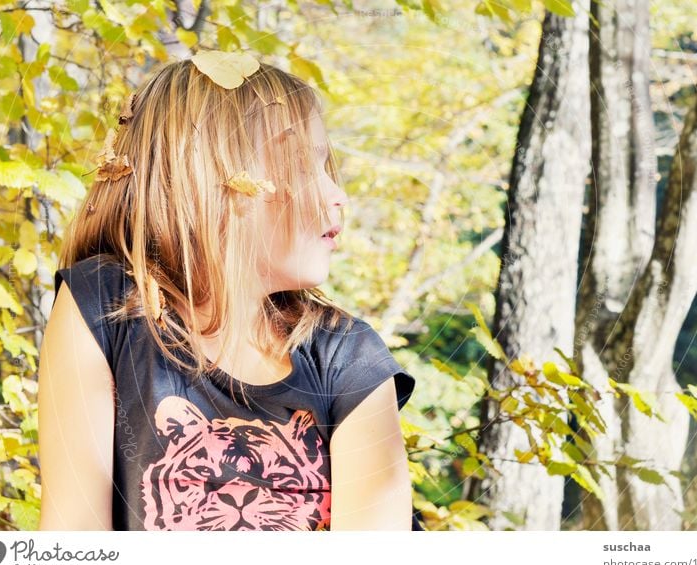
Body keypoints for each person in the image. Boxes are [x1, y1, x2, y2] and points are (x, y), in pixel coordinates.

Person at [37, 52, 421, 531]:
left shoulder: (348, 356)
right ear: (212, 179)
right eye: (303, 166)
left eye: (327, 168)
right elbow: (73, 546)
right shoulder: (103, 306)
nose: (337, 194)